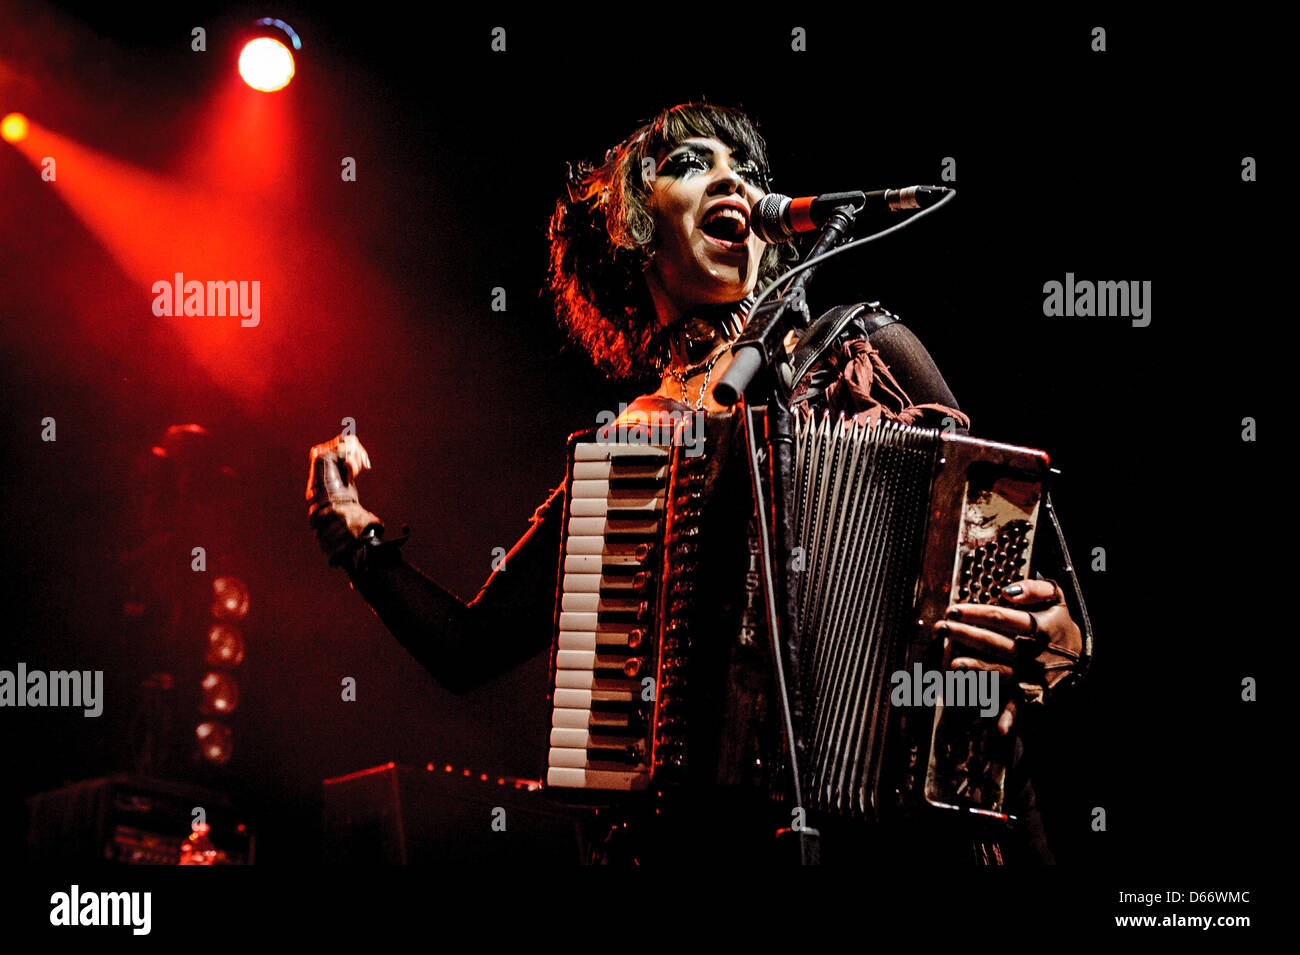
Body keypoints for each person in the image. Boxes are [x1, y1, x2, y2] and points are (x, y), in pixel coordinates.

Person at [306, 103, 1089, 864]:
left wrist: (1061, 639)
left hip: (905, 834)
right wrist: (352, 534)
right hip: (709, 844)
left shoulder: (866, 346)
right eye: (690, 164)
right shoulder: (628, 446)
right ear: (631, 225)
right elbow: (469, 648)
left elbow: (1035, 559)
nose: (733, 182)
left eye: (746, 169)